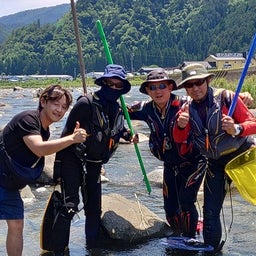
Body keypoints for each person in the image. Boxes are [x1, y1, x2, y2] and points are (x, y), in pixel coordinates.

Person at [51, 64, 137, 255]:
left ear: (122, 88)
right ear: (103, 83)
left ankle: (92, 249)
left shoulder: (117, 108)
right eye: (110, 83)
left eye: (118, 85)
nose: (113, 88)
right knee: (70, 206)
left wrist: (128, 135)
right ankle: (59, 251)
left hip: (95, 164)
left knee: (93, 209)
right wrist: (57, 170)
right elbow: (65, 135)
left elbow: (116, 129)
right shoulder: (85, 103)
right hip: (73, 159)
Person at [173, 63, 256, 251]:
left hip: (244, 156)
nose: (195, 88)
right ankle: (212, 249)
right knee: (210, 212)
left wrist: (237, 128)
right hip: (216, 163)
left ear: (208, 81)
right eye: (190, 85)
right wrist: (180, 126)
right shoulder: (185, 108)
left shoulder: (227, 98)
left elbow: (253, 122)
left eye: (199, 82)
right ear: (185, 88)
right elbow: (179, 139)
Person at [0, 84, 88, 256]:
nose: (60, 110)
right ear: (43, 101)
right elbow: (39, 149)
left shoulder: (45, 130)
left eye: (64, 107)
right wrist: (72, 138)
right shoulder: (28, 119)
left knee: (17, 224)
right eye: (56, 104)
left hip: (8, 183)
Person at [128, 69, 207, 239]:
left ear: (171, 87)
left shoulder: (186, 104)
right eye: (153, 88)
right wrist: (126, 134)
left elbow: (212, 101)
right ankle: (180, 234)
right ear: (147, 91)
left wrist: (242, 97)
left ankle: (189, 238)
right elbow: (121, 110)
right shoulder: (145, 108)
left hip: (194, 160)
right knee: (171, 209)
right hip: (170, 164)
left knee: (186, 201)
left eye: (162, 86)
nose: (158, 91)